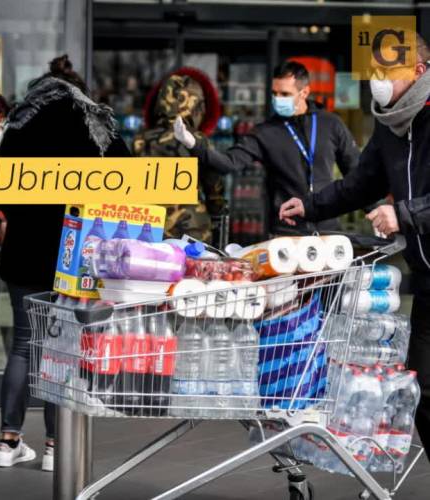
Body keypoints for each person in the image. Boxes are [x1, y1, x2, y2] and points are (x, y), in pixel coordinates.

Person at [279, 33, 430, 462]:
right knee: (425, 387)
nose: (378, 82)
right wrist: (308, 205)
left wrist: (405, 214)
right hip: (427, 281)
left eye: (389, 72)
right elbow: (360, 184)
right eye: (375, 72)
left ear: (419, 72)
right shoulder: (389, 127)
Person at [0, 55, 130, 471]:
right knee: (61, 350)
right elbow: (127, 178)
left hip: (24, 254)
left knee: (22, 346)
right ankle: (55, 447)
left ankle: (7, 442)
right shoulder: (95, 124)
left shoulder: (19, 125)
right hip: (75, 258)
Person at [174, 61, 360, 236]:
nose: (278, 99)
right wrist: (194, 144)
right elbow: (228, 163)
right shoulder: (264, 132)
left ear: (304, 92)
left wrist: (377, 210)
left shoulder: (330, 124)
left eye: (285, 94)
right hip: (286, 230)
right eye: (274, 93)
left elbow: (356, 172)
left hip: (328, 229)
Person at [133, 67, 225, 243]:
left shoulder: (140, 141)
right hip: (192, 231)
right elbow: (214, 188)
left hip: (148, 229)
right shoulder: (197, 140)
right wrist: (217, 211)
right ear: (195, 106)